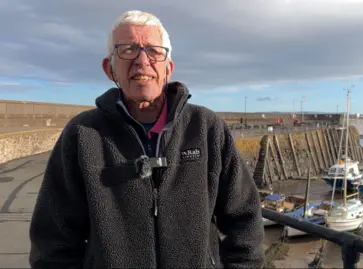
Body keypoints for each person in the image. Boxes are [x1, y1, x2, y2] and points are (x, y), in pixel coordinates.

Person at [29, 10, 265, 268]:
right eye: (128, 49)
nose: (142, 60)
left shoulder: (207, 128)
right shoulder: (82, 135)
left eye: (154, 51)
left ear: (168, 68)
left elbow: (245, 220)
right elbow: (52, 241)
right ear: (109, 69)